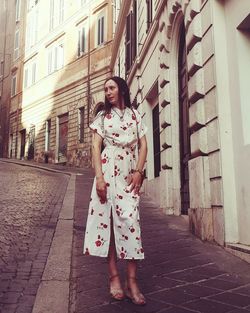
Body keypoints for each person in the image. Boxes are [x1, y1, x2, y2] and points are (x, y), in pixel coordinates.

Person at [83, 76, 148, 305]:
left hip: (128, 173)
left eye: (111, 88)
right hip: (108, 171)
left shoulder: (134, 114)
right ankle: (114, 278)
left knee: (131, 223)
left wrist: (139, 171)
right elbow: (95, 146)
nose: (108, 92)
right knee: (107, 225)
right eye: (105, 89)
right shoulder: (102, 117)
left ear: (121, 89)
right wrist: (99, 178)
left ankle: (132, 281)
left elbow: (144, 145)